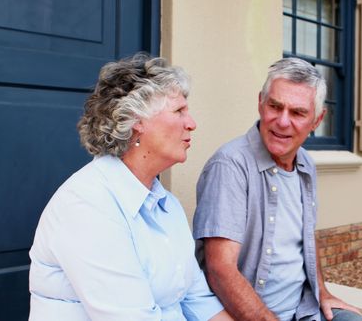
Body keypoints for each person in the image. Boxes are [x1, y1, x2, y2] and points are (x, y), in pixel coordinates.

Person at [29, 53, 232, 321]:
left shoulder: (166, 205)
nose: (191, 123)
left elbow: (198, 301)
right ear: (137, 121)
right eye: (179, 111)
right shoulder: (87, 205)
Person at [193, 57, 362, 321]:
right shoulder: (230, 165)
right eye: (275, 106)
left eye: (298, 113)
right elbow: (220, 270)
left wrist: (323, 292)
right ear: (261, 103)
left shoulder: (306, 164)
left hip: (303, 311)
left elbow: (305, 240)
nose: (282, 122)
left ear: (317, 120)